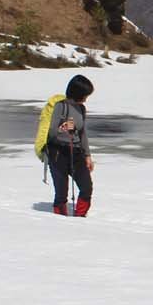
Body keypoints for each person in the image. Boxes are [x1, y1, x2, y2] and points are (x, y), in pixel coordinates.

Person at [48, 75, 96, 216]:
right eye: (85, 95)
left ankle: (80, 217)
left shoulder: (81, 109)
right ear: (77, 93)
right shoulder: (60, 106)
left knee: (86, 187)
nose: (86, 98)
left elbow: (82, 134)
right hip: (57, 152)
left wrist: (87, 156)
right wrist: (63, 128)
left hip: (76, 152)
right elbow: (51, 132)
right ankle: (61, 220)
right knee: (62, 192)